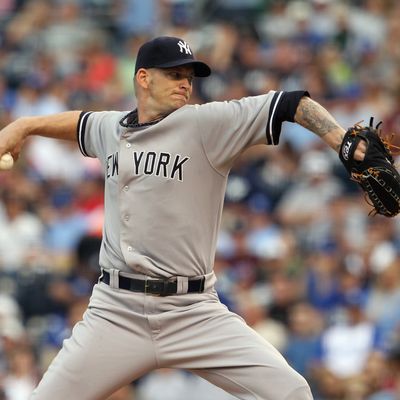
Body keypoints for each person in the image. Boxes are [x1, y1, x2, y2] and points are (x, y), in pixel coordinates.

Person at [0, 36, 366, 400]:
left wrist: (343, 142)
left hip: (192, 310)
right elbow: (79, 123)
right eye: (174, 74)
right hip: (116, 311)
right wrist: (25, 126)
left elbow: (289, 104)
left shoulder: (206, 124)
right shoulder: (111, 129)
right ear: (144, 78)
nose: (185, 84)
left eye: (189, 76)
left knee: (291, 391)